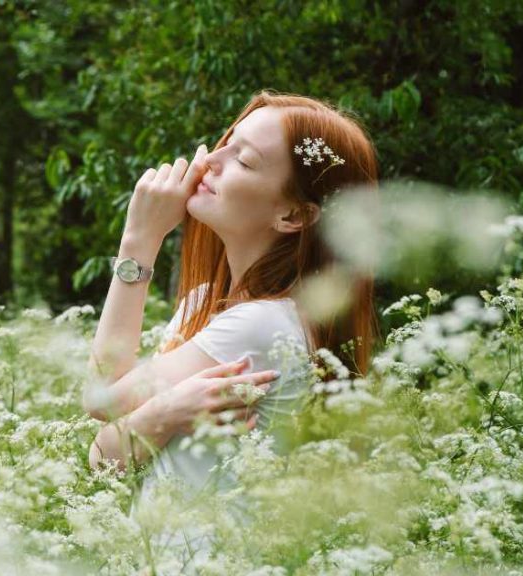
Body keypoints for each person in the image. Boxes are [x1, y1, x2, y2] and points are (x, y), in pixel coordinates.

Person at [82, 89, 381, 568]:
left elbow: (102, 409)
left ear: (294, 215)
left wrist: (138, 241)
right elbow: (103, 458)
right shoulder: (207, 305)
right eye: (224, 142)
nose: (209, 161)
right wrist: (159, 416)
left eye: (242, 159)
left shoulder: (260, 325)